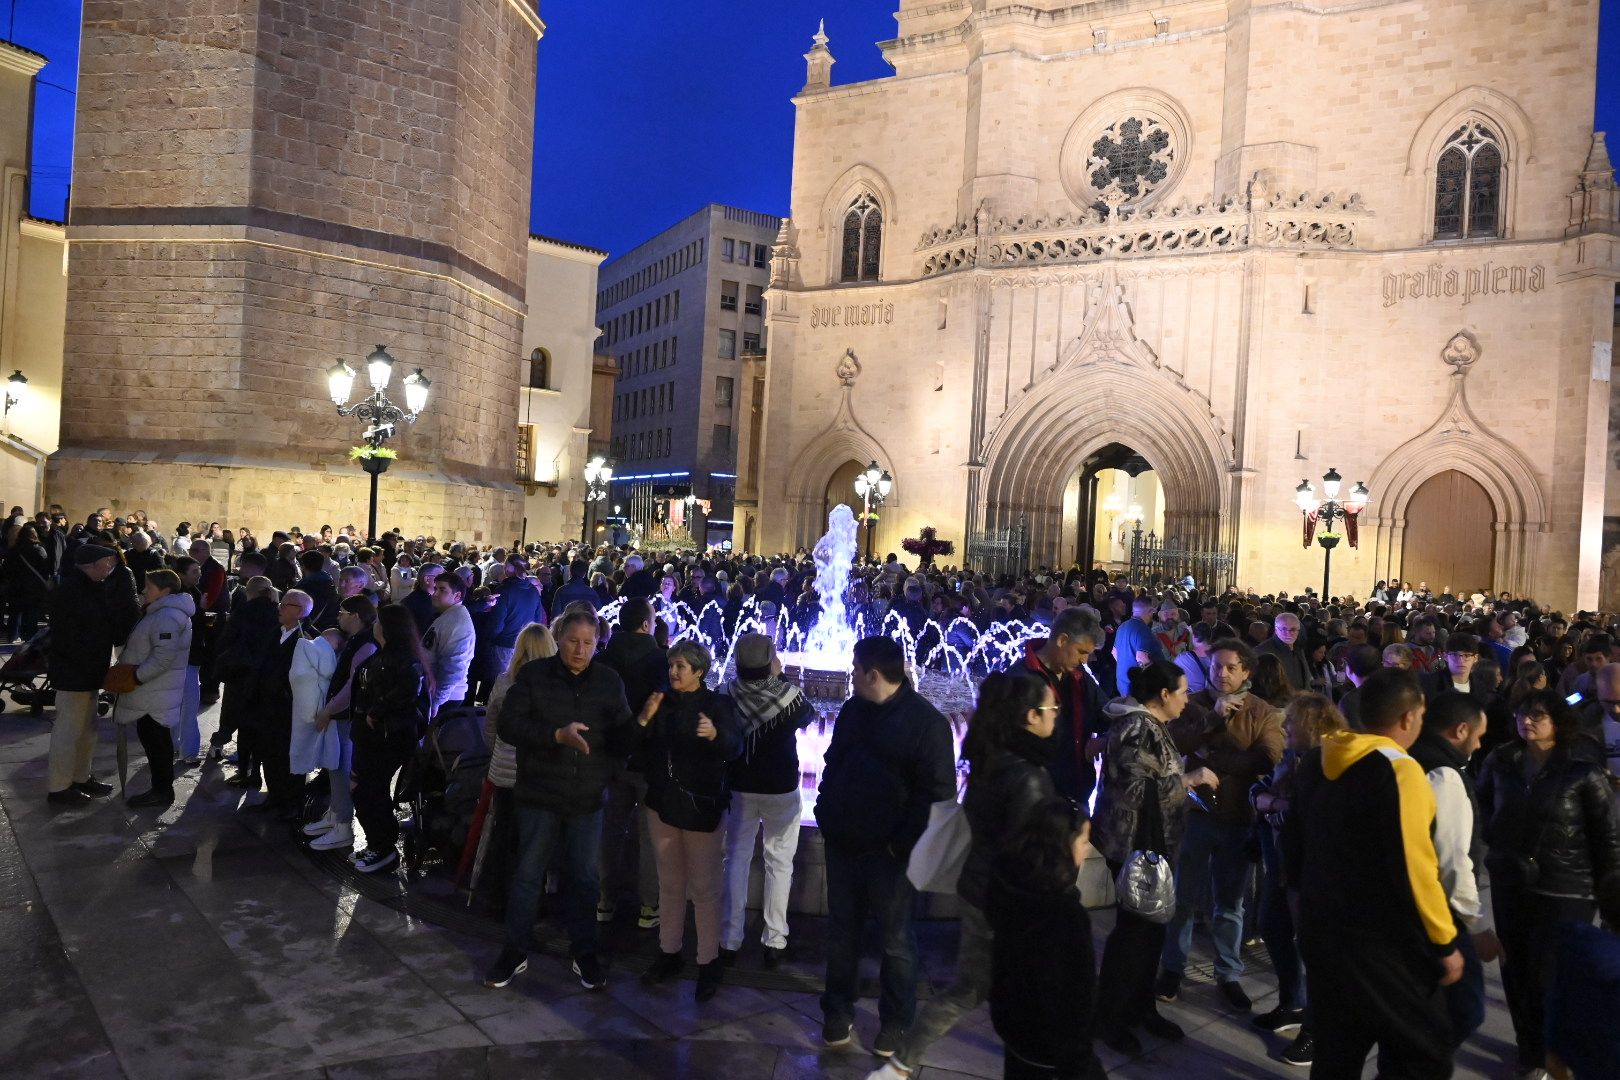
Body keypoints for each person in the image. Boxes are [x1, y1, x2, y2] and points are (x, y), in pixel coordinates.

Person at [871, 669, 1065, 1080]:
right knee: (997, 993)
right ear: (1030, 716)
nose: (1056, 716)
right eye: (1052, 708)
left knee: (973, 989)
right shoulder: (1029, 776)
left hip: (981, 892)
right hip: (1007, 905)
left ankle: (901, 1063)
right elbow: (1026, 858)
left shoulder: (992, 757)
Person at [1284, 668, 1463, 1080]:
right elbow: (1416, 868)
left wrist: (1298, 904)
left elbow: (1293, 844)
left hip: (1322, 930)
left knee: (1337, 1049)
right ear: (1408, 718)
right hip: (1380, 944)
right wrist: (1444, 941)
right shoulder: (1400, 771)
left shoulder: (1318, 759)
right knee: (1425, 1052)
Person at [815, 635, 957, 1056]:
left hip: (890, 856)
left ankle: (896, 1021)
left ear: (873, 674)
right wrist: (826, 808)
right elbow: (833, 761)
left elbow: (937, 794)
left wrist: (900, 846)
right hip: (844, 843)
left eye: (856, 668)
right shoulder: (852, 711)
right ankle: (837, 1010)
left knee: (896, 940)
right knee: (842, 933)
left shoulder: (926, 723)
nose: (851, 674)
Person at [485, 609, 637, 993]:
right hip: (539, 794)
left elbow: (621, 735)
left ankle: (584, 951)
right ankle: (514, 949)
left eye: (589, 643)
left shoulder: (608, 681)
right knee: (527, 874)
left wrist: (636, 733)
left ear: (598, 644)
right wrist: (555, 735)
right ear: (560, 639)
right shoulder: (535, 676)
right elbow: (509, 725)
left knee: (584, 878)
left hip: (586, 798)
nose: (580, 650)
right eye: (573, 641)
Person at [1475, 689, 1620, 1077]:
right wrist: (1497, 835)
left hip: (1567, 884)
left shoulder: (1581, 769)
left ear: (1557, 721)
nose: (1527, 721)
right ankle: (1530, 1049)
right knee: (1516, 967)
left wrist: (1611, 897)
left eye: (1537, 715)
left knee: (1550, 974)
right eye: (1523, 715)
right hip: (1512, 880)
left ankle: (1554, 1050)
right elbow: (1483, 802)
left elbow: (1607, 835)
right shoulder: (1502, 760)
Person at [1156, 638, 1283, 1011]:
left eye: (1230, 667)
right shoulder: (1192, 703)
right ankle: (1172, 968)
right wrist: (1213, 717)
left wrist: (1215, 763)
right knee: (1181, 897)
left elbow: (1267, 756)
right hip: (1194, 815)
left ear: (1246, 671)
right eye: (1216, 666)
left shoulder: (1260, 711)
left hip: (1236, 818)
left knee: (1230, 902)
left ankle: (1228, 972)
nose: (1222, 673)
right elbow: (1175, 743)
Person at [1093, 660, 1211, 1053]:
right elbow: (1134, 793)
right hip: (1133, 847)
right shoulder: (1137, 727)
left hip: (1150, 844)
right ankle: (1110, 1018)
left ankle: (1140, 1009)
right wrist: (1189, 780)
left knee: (1149, 933)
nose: (1187, 699)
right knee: (1133, 936)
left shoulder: (1151, 725)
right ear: (1163, 695)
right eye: (1182, 692)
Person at [635, 641, 741, 1001]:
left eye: (682, 666)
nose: (674, 672)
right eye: (672, 665)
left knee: (705, 887)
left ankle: (708, 960)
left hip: (700, 806)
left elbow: (735, 748)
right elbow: (638, 744)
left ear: (699, 671)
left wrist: (716, 735)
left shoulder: (718, 704)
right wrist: (644, 719)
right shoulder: (660, 702)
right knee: (670, 882)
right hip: (662, 802)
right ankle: (668, 952)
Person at [1248, 692, 1345, 1067]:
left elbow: (1312, 813)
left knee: (1315, 949)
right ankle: (1293, 1003)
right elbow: (1259, 792)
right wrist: (1275, 803)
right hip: (1282, 859)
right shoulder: (1294, 757)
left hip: (1312, 869)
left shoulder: (1332, 764)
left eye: (1291, 722)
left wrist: (1272, 802)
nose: (1284, 727)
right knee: (1271, 926)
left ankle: (1316, 1031)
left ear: (1314, 726)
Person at [986, 799, 1106, 1080]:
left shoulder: (1009, 886)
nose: (1087, 848)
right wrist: (1079, 1063)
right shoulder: (1065, 916)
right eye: (1084, 840)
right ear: (1062, 845)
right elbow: (1072, 1001)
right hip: (1053, 1059)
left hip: (1016, 1040)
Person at [1409, 693, 1499, 1050]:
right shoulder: (1444, 775)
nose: (1478, 745)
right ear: (1460, 730)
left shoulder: (1410, 759)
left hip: (1409, 909)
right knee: (1465, 1009)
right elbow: (1453, 857)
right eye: (1477, 736)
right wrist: (1474, 925)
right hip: (1439, 914)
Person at [719, 632, 813, 967]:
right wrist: (780, 673)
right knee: (780, 862)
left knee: (736, 861)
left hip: (740, 788)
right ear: (769, 660)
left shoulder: (727, 693)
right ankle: (774, 941)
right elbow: (809, 715)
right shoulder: (791, 698)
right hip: (781, 790)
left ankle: (729, 940)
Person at [45, 544, 136, 806]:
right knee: (69, 730)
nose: (110, 566)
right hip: (74, 672)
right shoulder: (73, 590)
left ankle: (81, 777)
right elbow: (84, 631)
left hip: (88, 671)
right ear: (93, 564)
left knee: (87, 730)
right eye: (107, 562)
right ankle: (59, 787)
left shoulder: (90, 588)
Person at [596, 597, 667, 929]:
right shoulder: (659, 660)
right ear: (645, 624)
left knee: (610, 830)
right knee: (650, 834)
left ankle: (603, 899)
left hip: (612, 757)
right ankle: (649, 906)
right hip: (649, 758)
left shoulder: (606, 657)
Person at [348, 604, 430, 872]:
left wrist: (377, 710)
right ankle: (377, 844)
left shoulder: (406, 659)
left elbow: (406, 694)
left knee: (370, 790)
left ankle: (383, 849)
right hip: (370, 736)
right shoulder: (383, 654)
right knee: (364, 789)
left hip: (386, 737)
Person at [481, 622, 556, 899]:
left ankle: (499, 895)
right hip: (539, 773)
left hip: (503, 770)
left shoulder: (504, 681)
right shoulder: (554, 685)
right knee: (535, 838)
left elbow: (490, 724)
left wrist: (497, 751)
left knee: (504, 832)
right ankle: (532, 897)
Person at [114, 569, 196, 808]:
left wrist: (135, 678)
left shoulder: (167, 616)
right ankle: (161, 788)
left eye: (148, 587)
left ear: (165, 591)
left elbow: (163, 657)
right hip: (156, 690)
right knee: (156, 739)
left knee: (156, 740)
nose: (143, 591)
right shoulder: (163, 613)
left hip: (154, 690)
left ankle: (161, 791)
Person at [304, 595, 378, 852]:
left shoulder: (366, 644)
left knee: (341, 766)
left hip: (347, 716)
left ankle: (343, 825)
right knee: (334, 765)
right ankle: (335, 814)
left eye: (343, 612)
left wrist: (328, 710)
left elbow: (353, 685)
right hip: (342, 714)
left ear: (356, 616)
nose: (338, 617)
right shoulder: (357, 640)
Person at [1021, 607, 1106, 804]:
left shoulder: (1079, 675)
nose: (1085, 660)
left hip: (1076, 795)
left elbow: (1104, 712)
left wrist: (1105, 739)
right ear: (1062, 640)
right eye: (1081, 652)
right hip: (1039, 802)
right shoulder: (1020, 680)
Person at [244, 589, 313, 819]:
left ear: (300, 612)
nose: (280, 607)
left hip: (288, 708)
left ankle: (291, 803)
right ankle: (274, 796)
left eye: (286, 604)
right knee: (268, 752)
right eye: (281, 602)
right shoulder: (276, 631)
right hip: (266, 704)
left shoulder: (307, 639)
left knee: (288, 755)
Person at [422, 570, 474, 718]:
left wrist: (437, 701)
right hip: (437, 692)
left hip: (446, 697)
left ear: (457, 595)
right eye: (435, 588)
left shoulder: (457, 622)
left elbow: (454, 667)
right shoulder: (449, 616)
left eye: (442, 590)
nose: (435, 593)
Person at [1111, 596, 1165, 697]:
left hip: (1123, 684)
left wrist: (1126, 666)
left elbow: (1114, 653)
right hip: (1138, 688)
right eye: (1152, 613)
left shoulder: (1122, 627)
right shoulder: (1144, 630)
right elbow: (1142, 657)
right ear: (1150, 611)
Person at [1256, 612, 1312, 694]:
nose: (1288, 633)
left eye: (1293, 629)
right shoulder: (1263, 651)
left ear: (1298, 630)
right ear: (1276, 629)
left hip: (1299, 701)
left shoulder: (1299, 648)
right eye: (1284, 629)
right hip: (1277, 703)